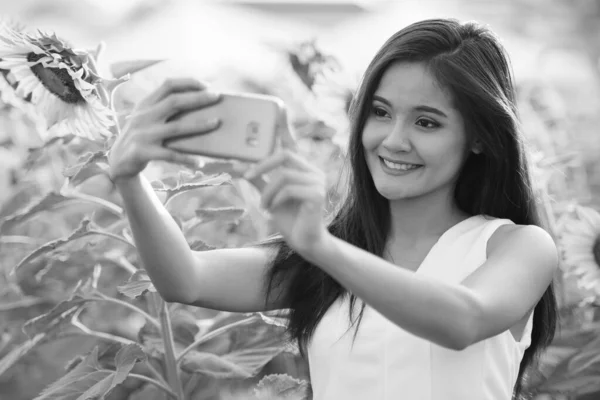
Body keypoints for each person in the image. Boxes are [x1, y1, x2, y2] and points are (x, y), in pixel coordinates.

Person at [108, 18, 558, 400]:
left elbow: (463, 319)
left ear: (480, 137)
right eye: (380, 113)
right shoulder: (331, 253)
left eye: (426, 122)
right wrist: (129, 179)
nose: (393, 140)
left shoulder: (517, 246)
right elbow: (185, 278)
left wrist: (320, 247)